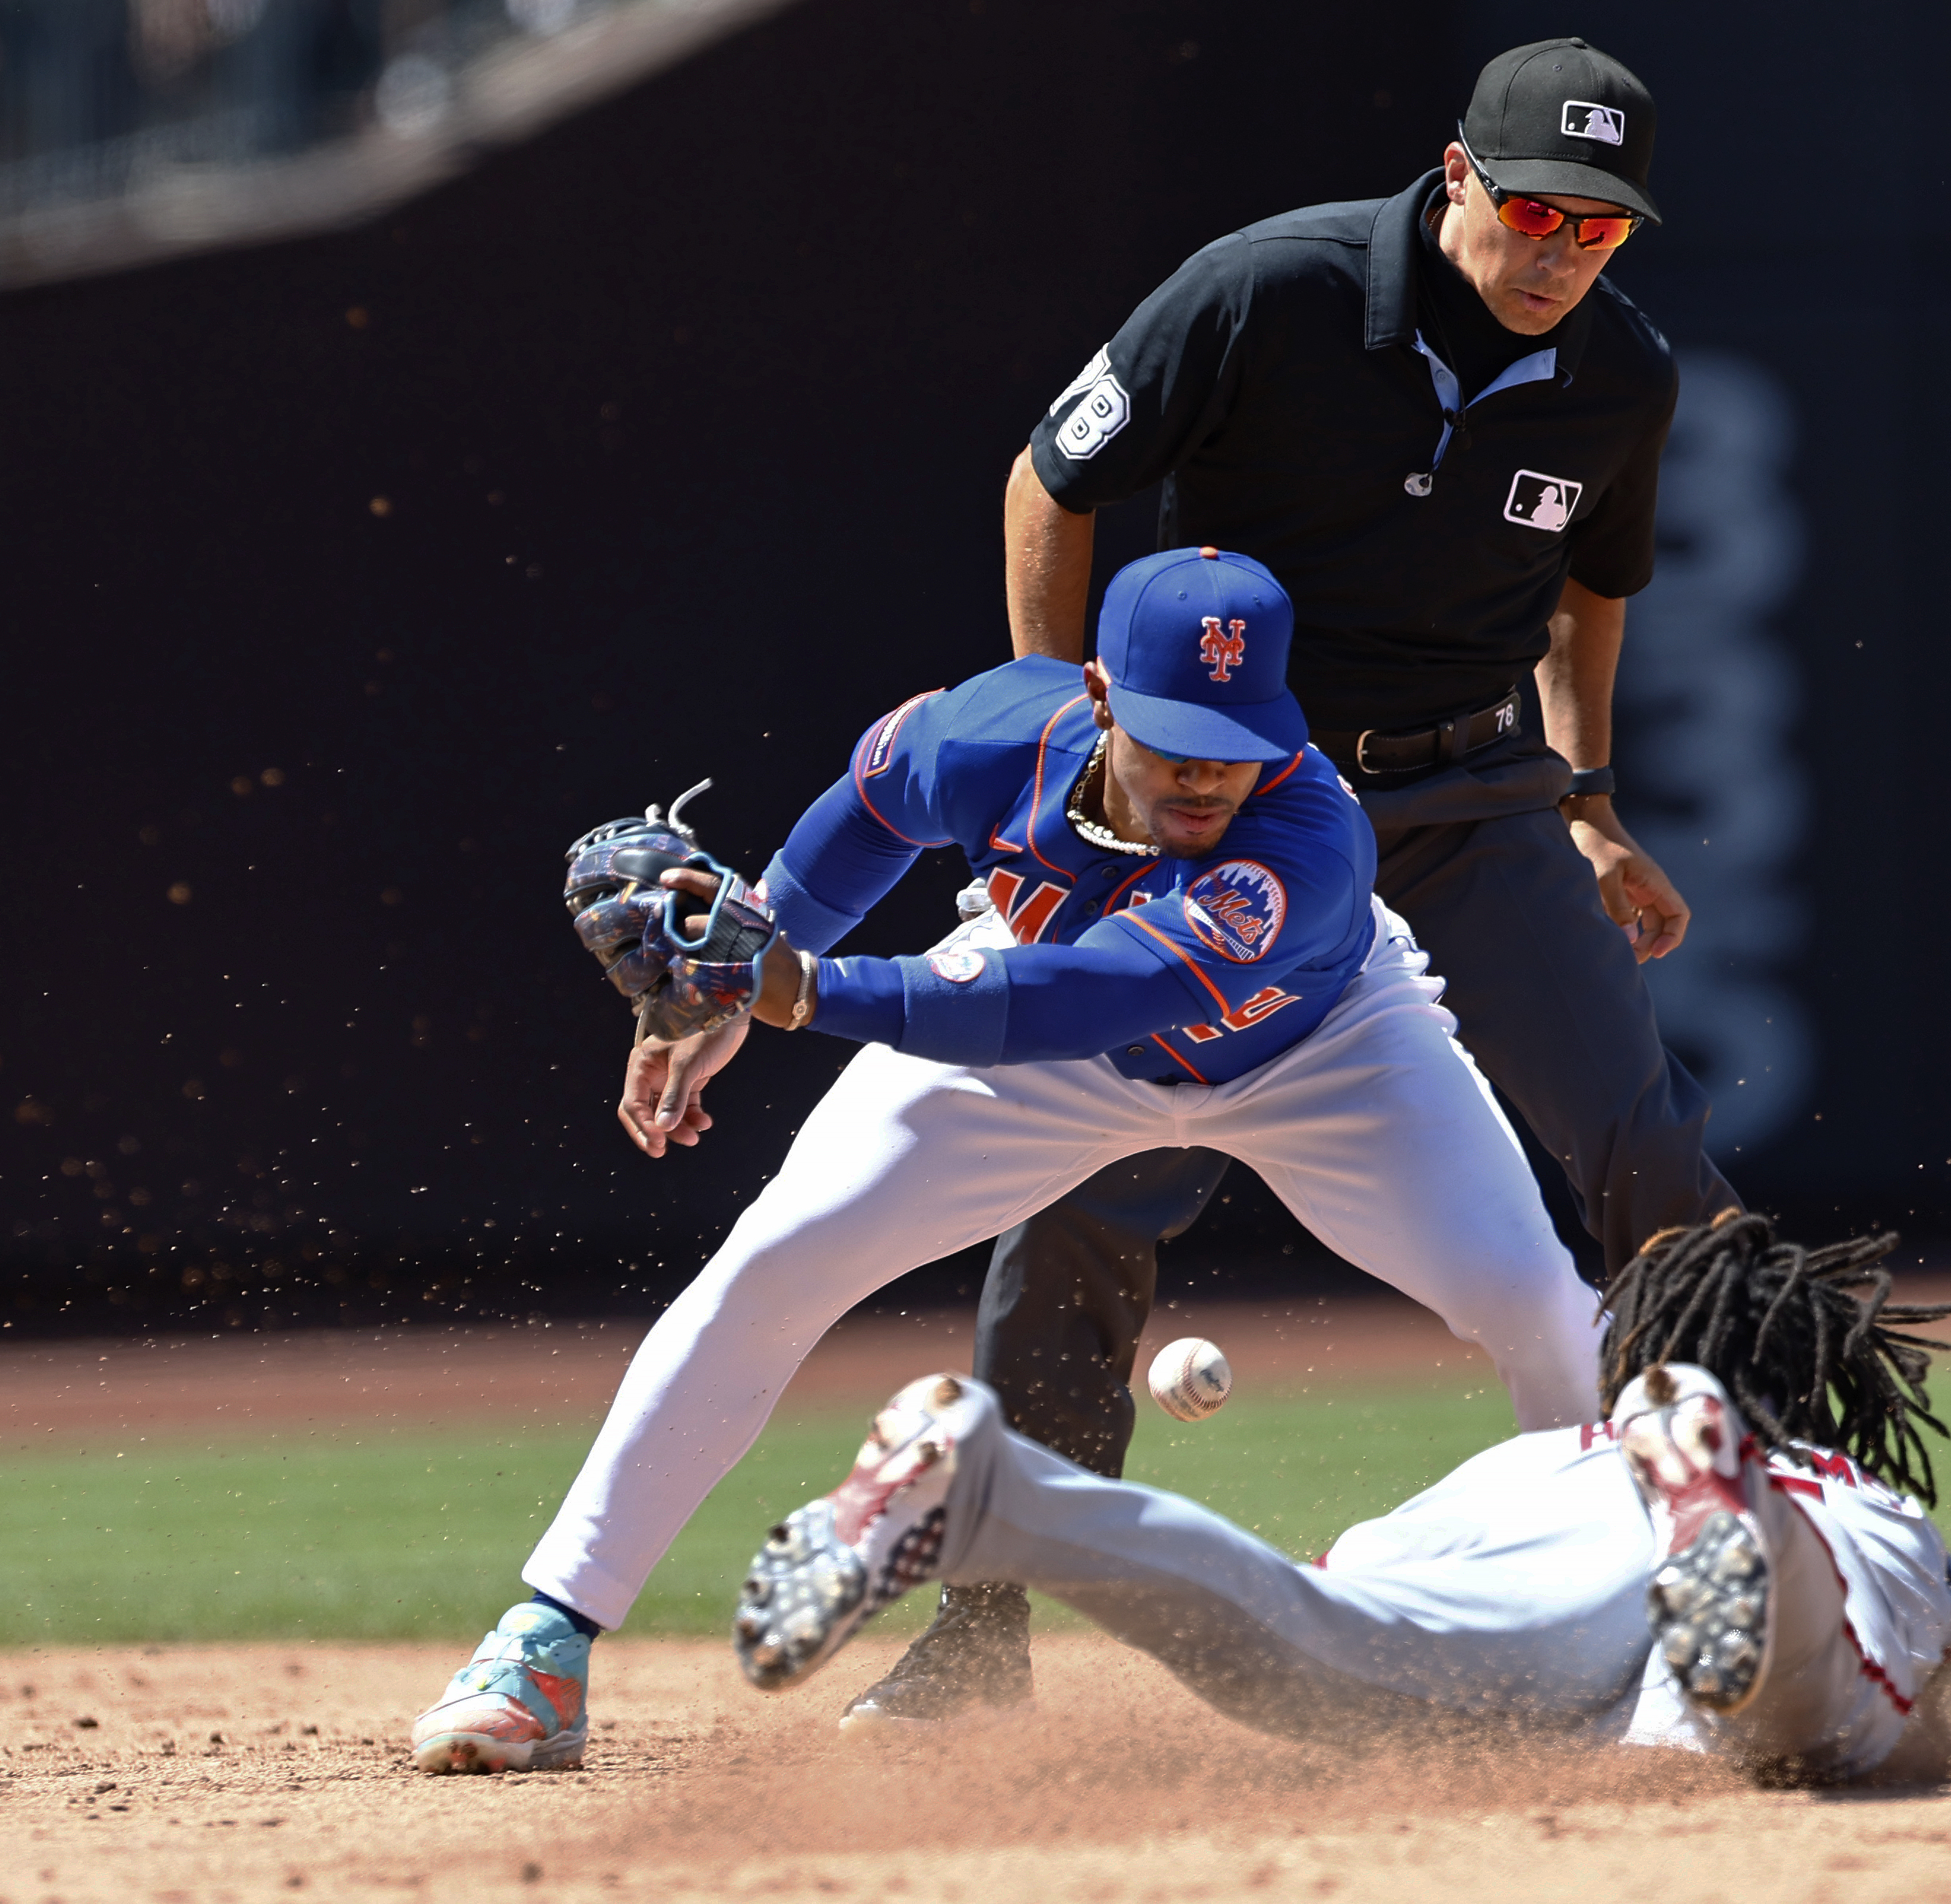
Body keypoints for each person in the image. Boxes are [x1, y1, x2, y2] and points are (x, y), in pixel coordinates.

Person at [861, 32, 1744, 1727]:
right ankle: (983, 1635)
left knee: (1646, 1142)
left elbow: (1588, 592)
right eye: (1541, 210)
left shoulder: (1619, 374)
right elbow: (1052, 484)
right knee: (1085, 1187)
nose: (1565, 251)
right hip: (1239, 811)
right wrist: (1072, 749)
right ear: (1459, 178)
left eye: (1603, 227)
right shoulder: (1266, 291)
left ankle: (1763, 1549)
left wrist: (1589, 797)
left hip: (1462, 795)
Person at [407, 545, 1605, 1774]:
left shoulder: (1304, 841)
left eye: (1236, 737)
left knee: (1535, 1303)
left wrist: (801, 987)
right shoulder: (984, 735)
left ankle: (1608, 1638)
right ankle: (543, 1642)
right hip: (1040, 1051)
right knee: (775, 1260)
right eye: (1172, 732)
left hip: (1327, 1051)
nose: (1205, 768)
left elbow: (1085, 994)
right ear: (1096, 696)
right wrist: (732, 972)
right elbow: (862, 819)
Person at [733, 1217, 1951, 1786]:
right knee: (1811, 1723)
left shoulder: (1532, 1459)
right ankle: (1733, 1508)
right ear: (1814, 1388)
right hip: (1768, 1534)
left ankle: (991, 1490)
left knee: (1307, 1632)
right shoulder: (1860, 1492)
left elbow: (1351, 1563)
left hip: (1536, 1554)